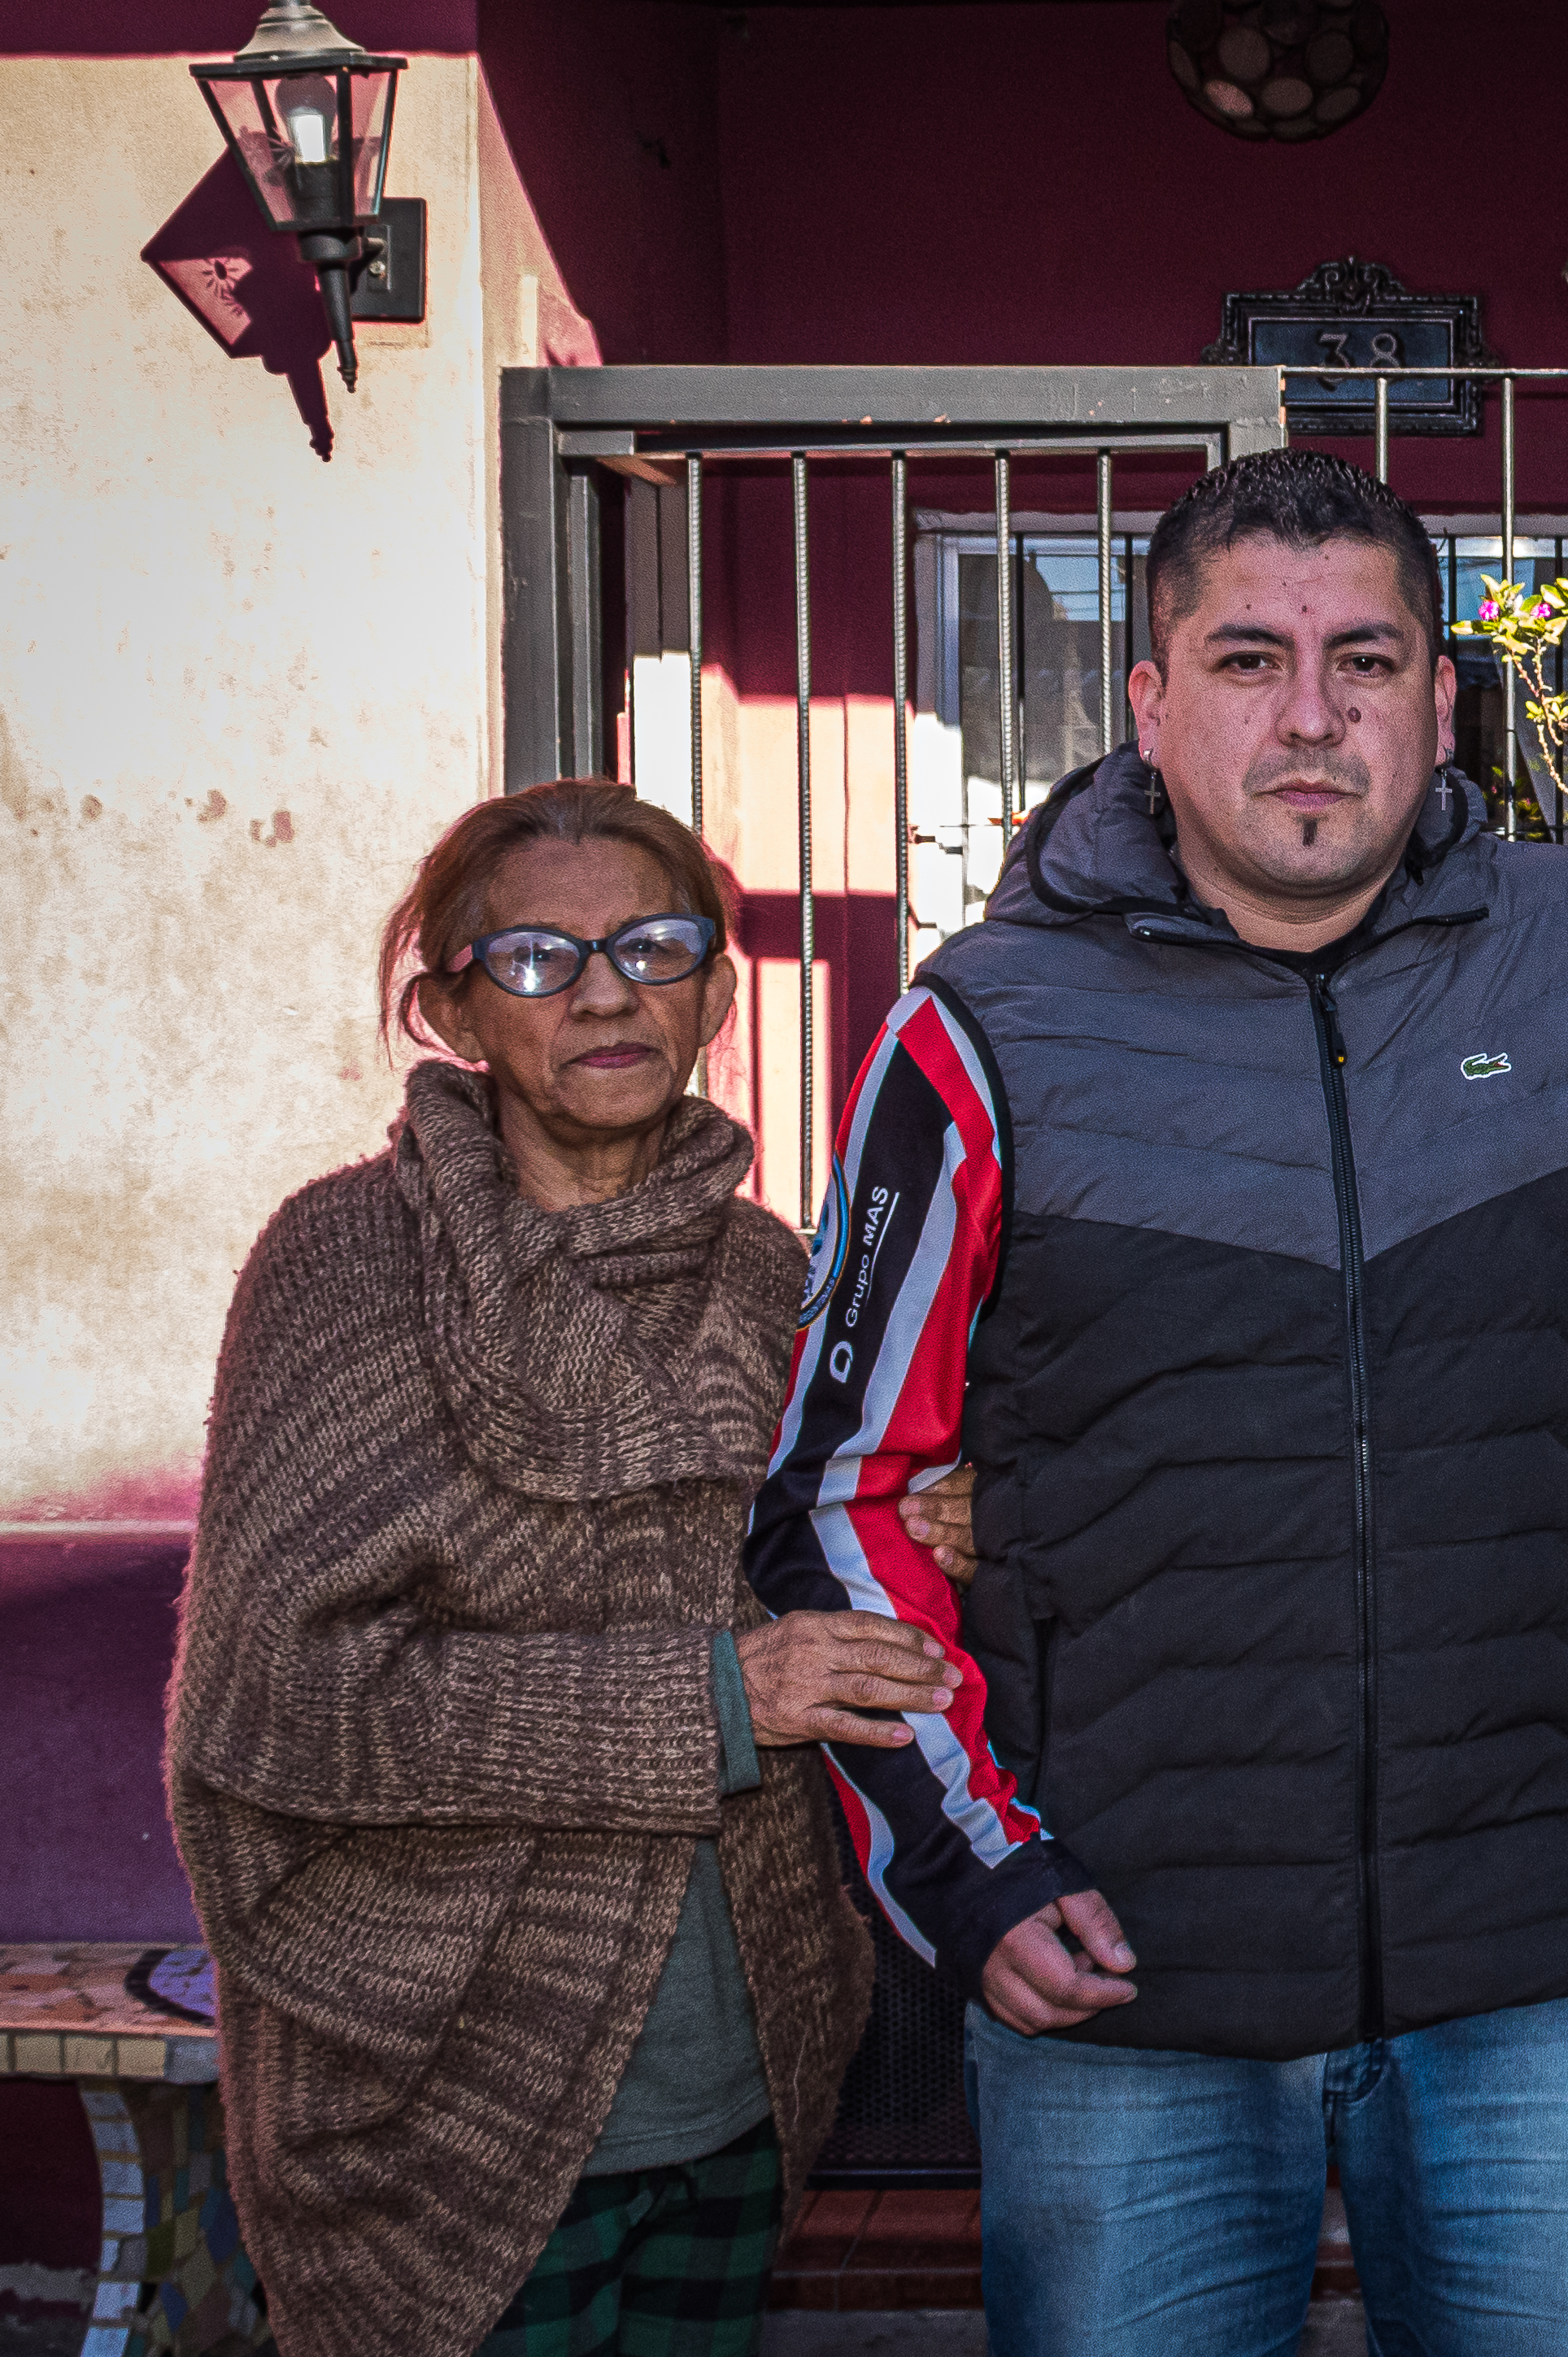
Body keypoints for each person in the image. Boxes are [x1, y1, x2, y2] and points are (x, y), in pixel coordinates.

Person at [746, 447, 1568, 2355]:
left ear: (1440, 702)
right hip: (1131, 1979)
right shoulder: (990, 1025)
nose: (1310, 718)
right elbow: (844, 1492)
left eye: (1365, 660)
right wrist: (963, 1863)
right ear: (1147, 702)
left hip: (1537, 1977)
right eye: (1245, 660)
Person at [168, 779, 986, 2357]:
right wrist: (720, 1695)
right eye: (535, 957)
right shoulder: (351, 1265)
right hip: (434, 2103)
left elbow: (830, 1598)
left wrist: (938, 1541)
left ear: (718, 992)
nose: (605, 991)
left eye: (653, 946)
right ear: (453, 1009)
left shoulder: (773, 1280)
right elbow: (280, 1699)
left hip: (743, 2081)